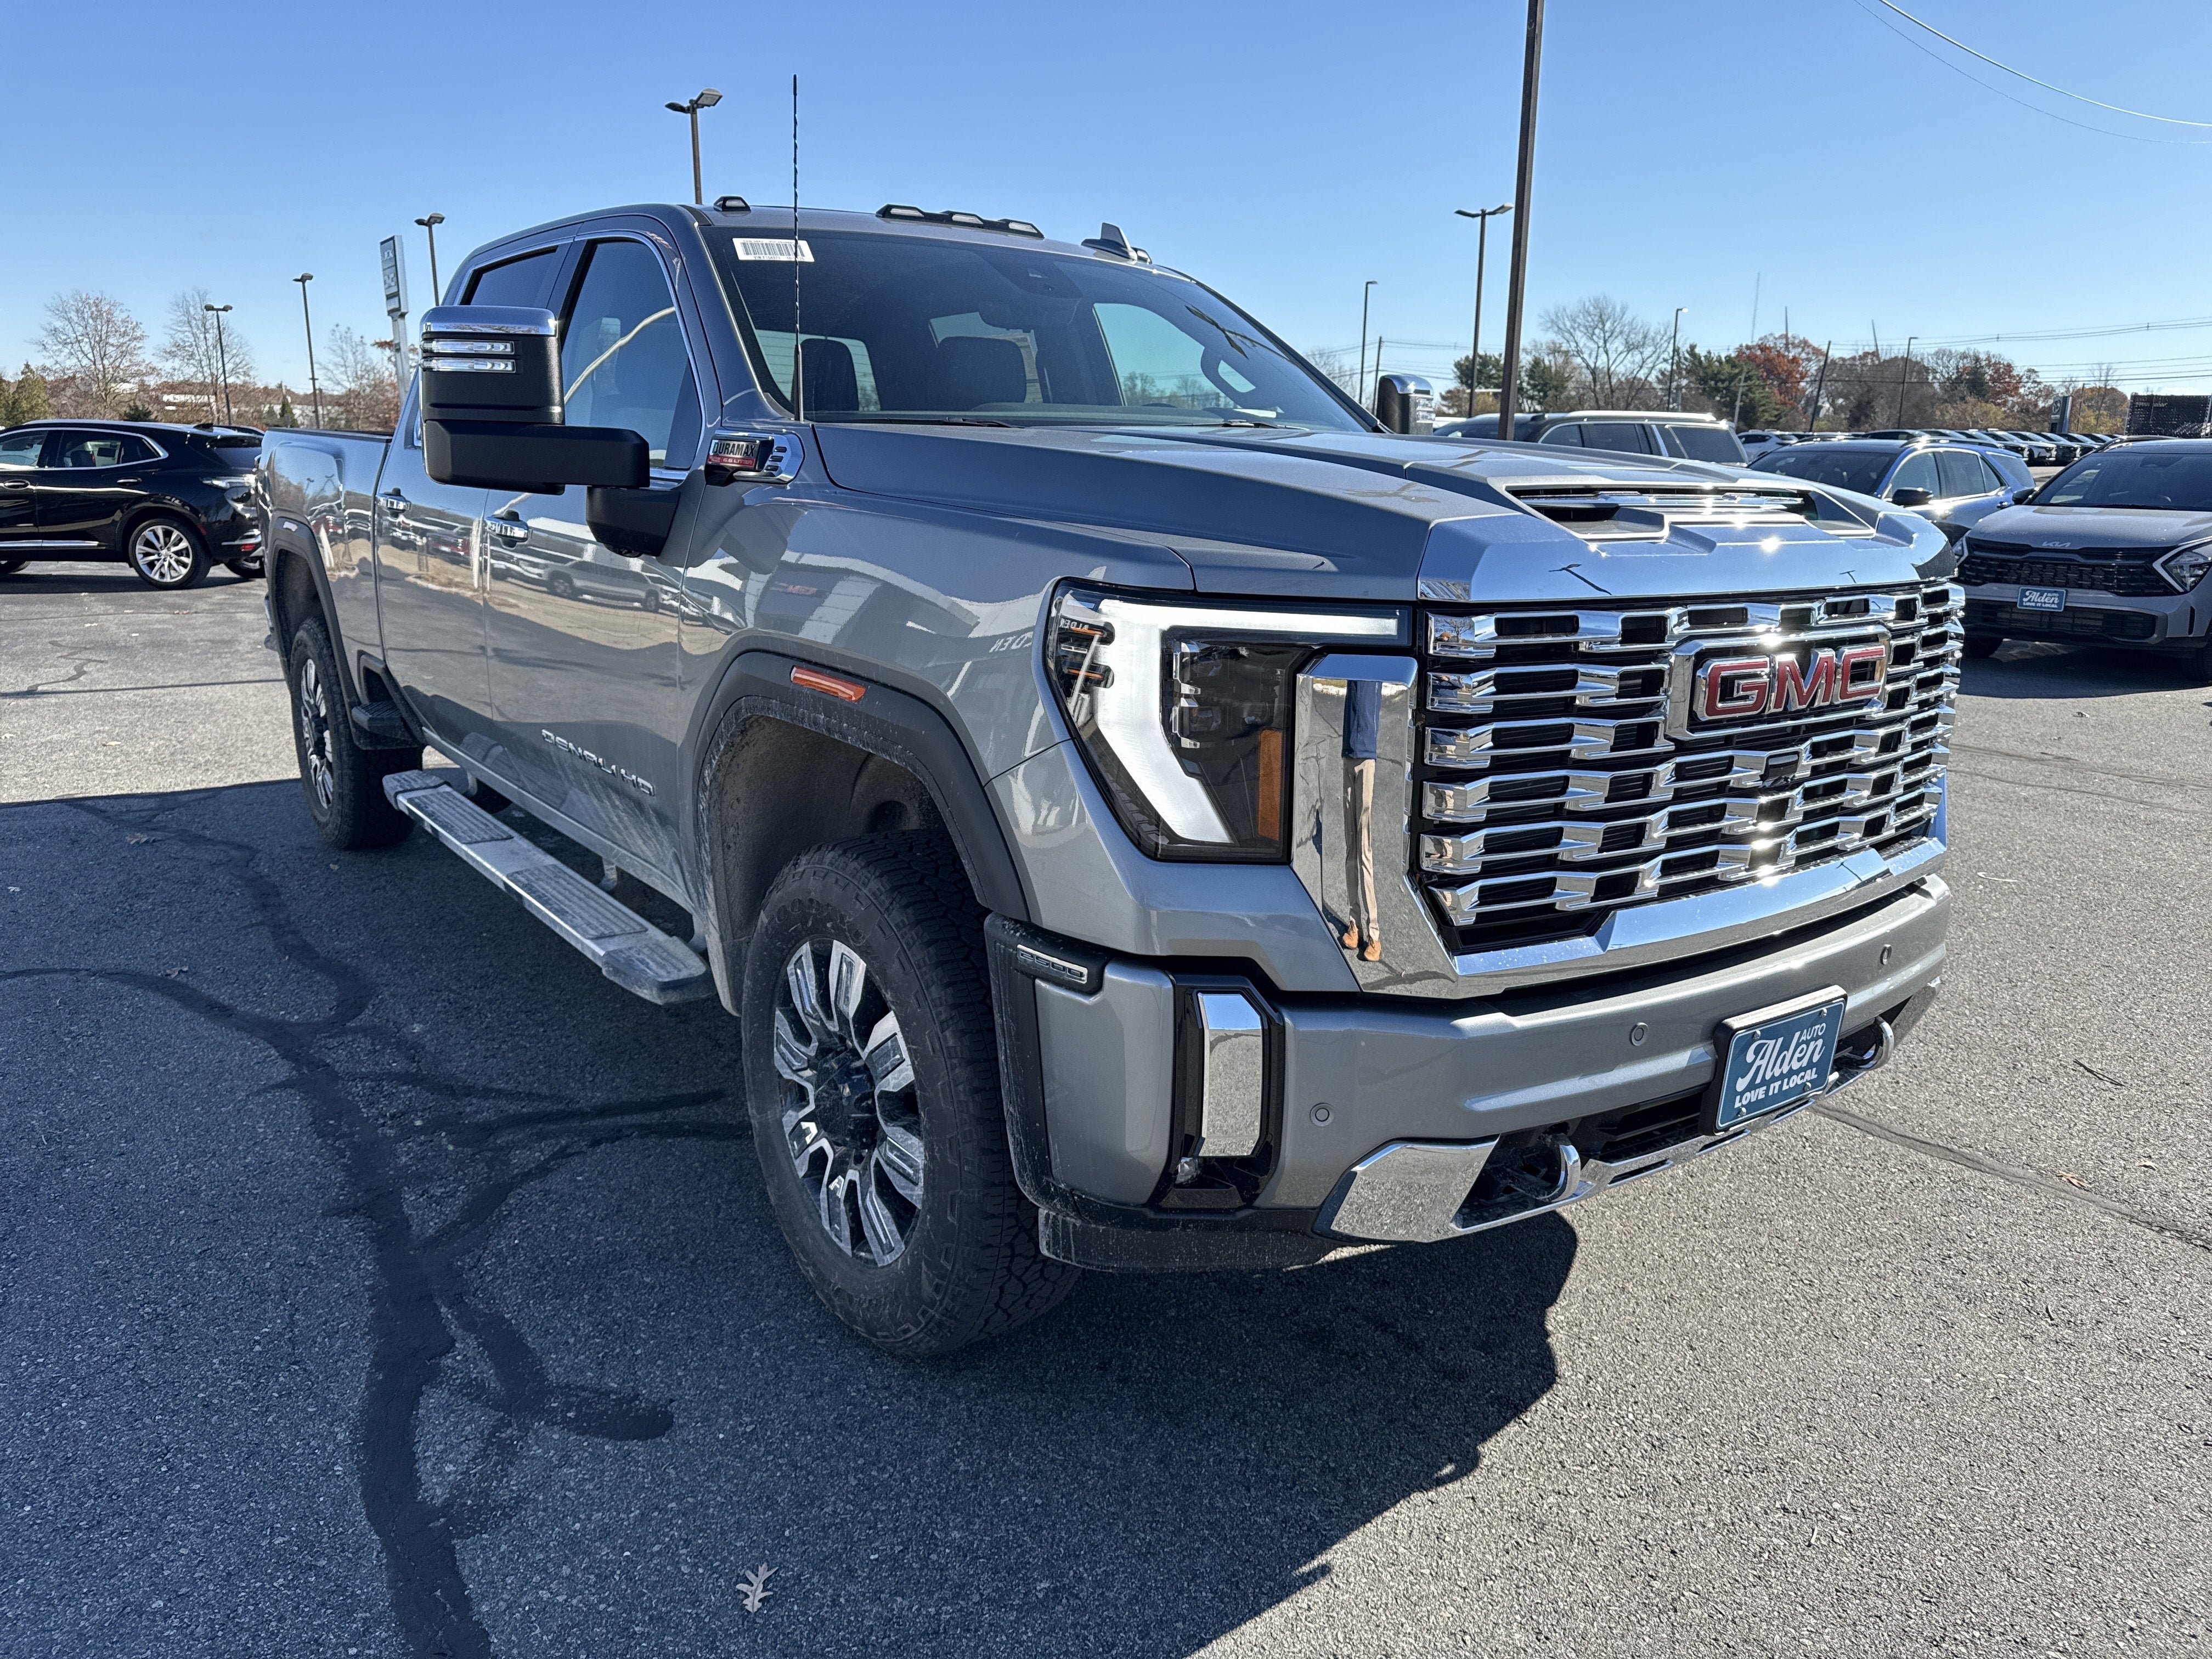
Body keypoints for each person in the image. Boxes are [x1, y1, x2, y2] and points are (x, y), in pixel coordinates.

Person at [1340, 678, 1381, 962]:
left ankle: (1375, 935)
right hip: (1347, 756)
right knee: (1350, 850)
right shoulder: (1350, 665)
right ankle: (1353, 922)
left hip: (1367, 757)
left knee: (1364, 851)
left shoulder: (1376, 665)